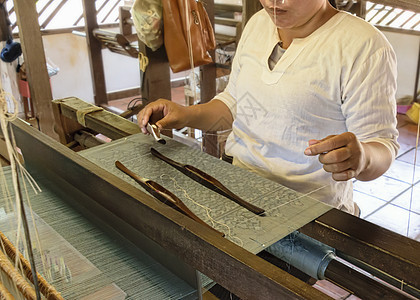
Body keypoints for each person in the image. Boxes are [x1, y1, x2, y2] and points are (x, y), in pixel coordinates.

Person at [138, 0, 399, 215]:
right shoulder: (259, 23)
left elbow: (382, 146)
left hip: (307, 209)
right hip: (237, 187)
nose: (276, 3)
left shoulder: (364, 47)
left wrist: (362, 157)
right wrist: (184, 115)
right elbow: (235, 106)